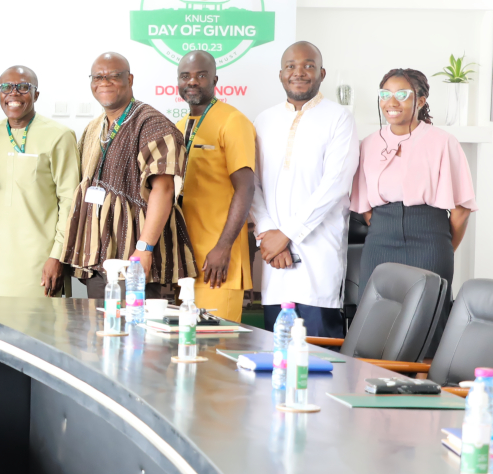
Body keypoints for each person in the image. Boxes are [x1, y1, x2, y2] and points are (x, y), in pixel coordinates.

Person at [62, 53, 193, 298]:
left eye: (114, 76)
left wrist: (144, 248)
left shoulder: (152, 124)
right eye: (98, 77)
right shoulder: (95, 127)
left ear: (130, 79)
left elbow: (163, 190)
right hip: (100, 259)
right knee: (103, 331)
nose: (105, 82)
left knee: (136, 333)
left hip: (135, 261)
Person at [251, 41, 358, 339]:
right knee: (276, 356)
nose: (299, 72)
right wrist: (269, 232)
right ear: (281, 74)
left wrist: (286, 235)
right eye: (291, 66)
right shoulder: (264, 120)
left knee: (320, 360)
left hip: (318, 258)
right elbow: (253, 185)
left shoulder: (339, 118)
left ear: (322, 73)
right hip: (275, 261)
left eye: (308, 66)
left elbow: (335, 185)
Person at [351, 67, 475, 313]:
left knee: (427, 319)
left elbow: (460, 211)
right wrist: (385, 226)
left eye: (402, 94)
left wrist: (442, 248)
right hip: (379, 243)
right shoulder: (369, 143)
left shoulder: (442, 141)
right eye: (385, 94)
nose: (391, 102)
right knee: (374, 318)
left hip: (429, 240)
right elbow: (365, 205)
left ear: (420, 100)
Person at [0, 65, 80, 297]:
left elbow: (70, 201)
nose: (13, 93)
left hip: (42, 259)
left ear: (36, 95)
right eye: (6, 87)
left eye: (23, 87)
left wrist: (58, 256)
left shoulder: (59, 135)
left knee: (42, 328)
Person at [173, 51, 256, 321]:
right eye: (185, 76)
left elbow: (246, 188)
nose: (192, 81)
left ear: (215, 79)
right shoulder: (179, 126)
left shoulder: (233, 122)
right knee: (188, 349)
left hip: (218, 260)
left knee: (216, 347)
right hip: (186, 260)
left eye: (201, 75)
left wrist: (223, 246)